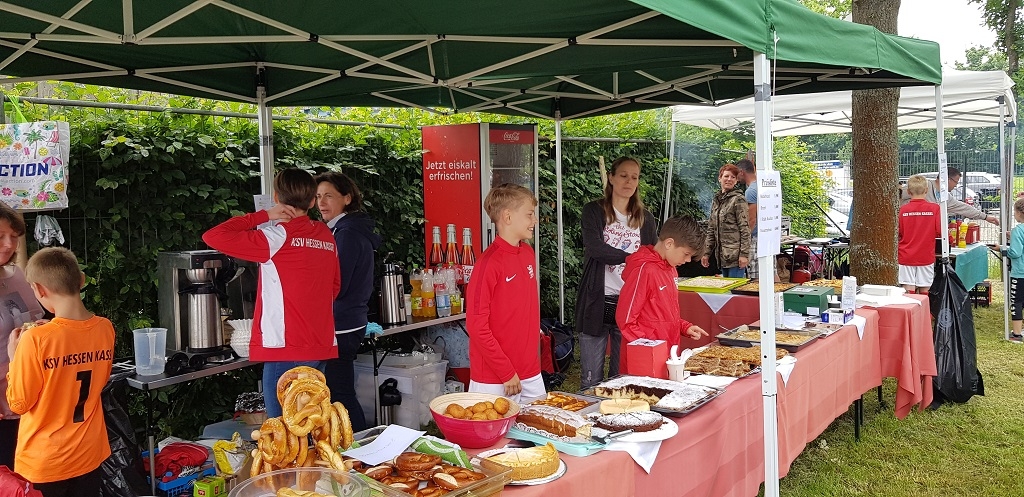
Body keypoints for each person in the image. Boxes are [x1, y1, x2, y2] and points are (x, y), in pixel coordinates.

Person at [203, 169, 340, 417]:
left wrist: (263, 215)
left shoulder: (276, 237)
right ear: (312, 201)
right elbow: (334, 286)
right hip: (320, 343)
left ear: (276, 197)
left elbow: (213, 236)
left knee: (283, 431)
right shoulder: (325, 234)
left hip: (285, 347)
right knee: (310, 423)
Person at [7, 247, 114, 496]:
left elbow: (19, 403)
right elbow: (99, 378)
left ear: (39, 289)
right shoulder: (105, 328)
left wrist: (14, 358)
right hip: (89, 453)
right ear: (81, 280)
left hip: (46, 461)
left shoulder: (35, 339)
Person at [574, 157, 657, 390]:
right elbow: (595, 247)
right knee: (591, 379)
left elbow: (652, 255)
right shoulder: (593, 211)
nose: (629, 181)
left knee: (622, 378)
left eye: (634, 177)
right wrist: (631, 258)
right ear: (611, 177)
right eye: (623, 175)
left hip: (630, 305)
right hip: (596, 301)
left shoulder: (646, 218)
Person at [466, 184, 544, 403]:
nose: (535, 220)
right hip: (494, 378)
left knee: (541, 425)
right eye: (529, 214)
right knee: (492, 428)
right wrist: (506, 371)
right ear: (508, 217)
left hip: (530, 372)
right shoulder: (488, 263)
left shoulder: (527, 253)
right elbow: (477, 326)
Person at [315, 172, 380, 432]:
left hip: (342, 324)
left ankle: (361, 443)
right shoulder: (344, 230)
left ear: (347, 198)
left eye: (329, 196)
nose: (322, 202)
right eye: (318, 196)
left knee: (340, 393)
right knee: (339, 391)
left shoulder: (347, 234)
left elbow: (337, 284)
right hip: (349, 321)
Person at [616, 216, 708, 373]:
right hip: (644, 359)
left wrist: (684, 327)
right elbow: (625, 320)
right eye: (686, 254)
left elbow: (664, 314)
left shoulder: (671, 269)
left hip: (667, 353)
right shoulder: (644, 270)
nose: (687, 260)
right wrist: (651, 347)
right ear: (669, 243)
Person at [0, 205, 43, 470]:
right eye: (0, 236)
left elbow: (35, 320)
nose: (9, 244)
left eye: (14, 236)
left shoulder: (17, 275)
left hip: (28, 401)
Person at [900, 166, 999, 226]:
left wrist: (985, 217)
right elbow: (898, 194)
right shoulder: (924, 185)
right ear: (948, 179)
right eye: (956, 181)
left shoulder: (946, 196)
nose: (956, 185)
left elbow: (962, 207)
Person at [701, 164, 750, 277]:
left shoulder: (738, 199)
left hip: (735, 257)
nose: (729, 179)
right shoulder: (717, 200)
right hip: (722, 256)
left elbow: (745, 229)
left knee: (734, 286)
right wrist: (706, 253)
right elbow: (711, 229)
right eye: (726, 176)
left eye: (733, 177)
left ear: (736, 181)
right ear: (720, 178)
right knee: (725, 287)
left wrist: (744, 254)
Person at [898, 175, 942, 294]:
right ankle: (924, 306)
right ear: (926, 190)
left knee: (908, 288)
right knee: (925, 288)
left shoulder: (902, 210)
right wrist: (950, 239)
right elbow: (940, 231)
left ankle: (910, 305)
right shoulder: (935, 209)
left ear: (908, 192)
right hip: (925, 255)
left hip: (906, 255)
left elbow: (899, 231)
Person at [1002, 198, 1024, 342]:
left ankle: (1016, 334)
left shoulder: (1018, 230)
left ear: (1019, 213)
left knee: (1016, 301)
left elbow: (1015, 252)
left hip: (1020, 273)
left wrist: (1003, 250)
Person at [736, 158, 760, 279]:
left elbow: (751, 219)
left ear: (741, 172)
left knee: (755, 276)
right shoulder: (761, 186)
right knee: (771, 272)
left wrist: (745, 240)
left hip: (755, 238)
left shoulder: (750, 191)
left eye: (736, 173)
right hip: (765, 236)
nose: (736, 177)